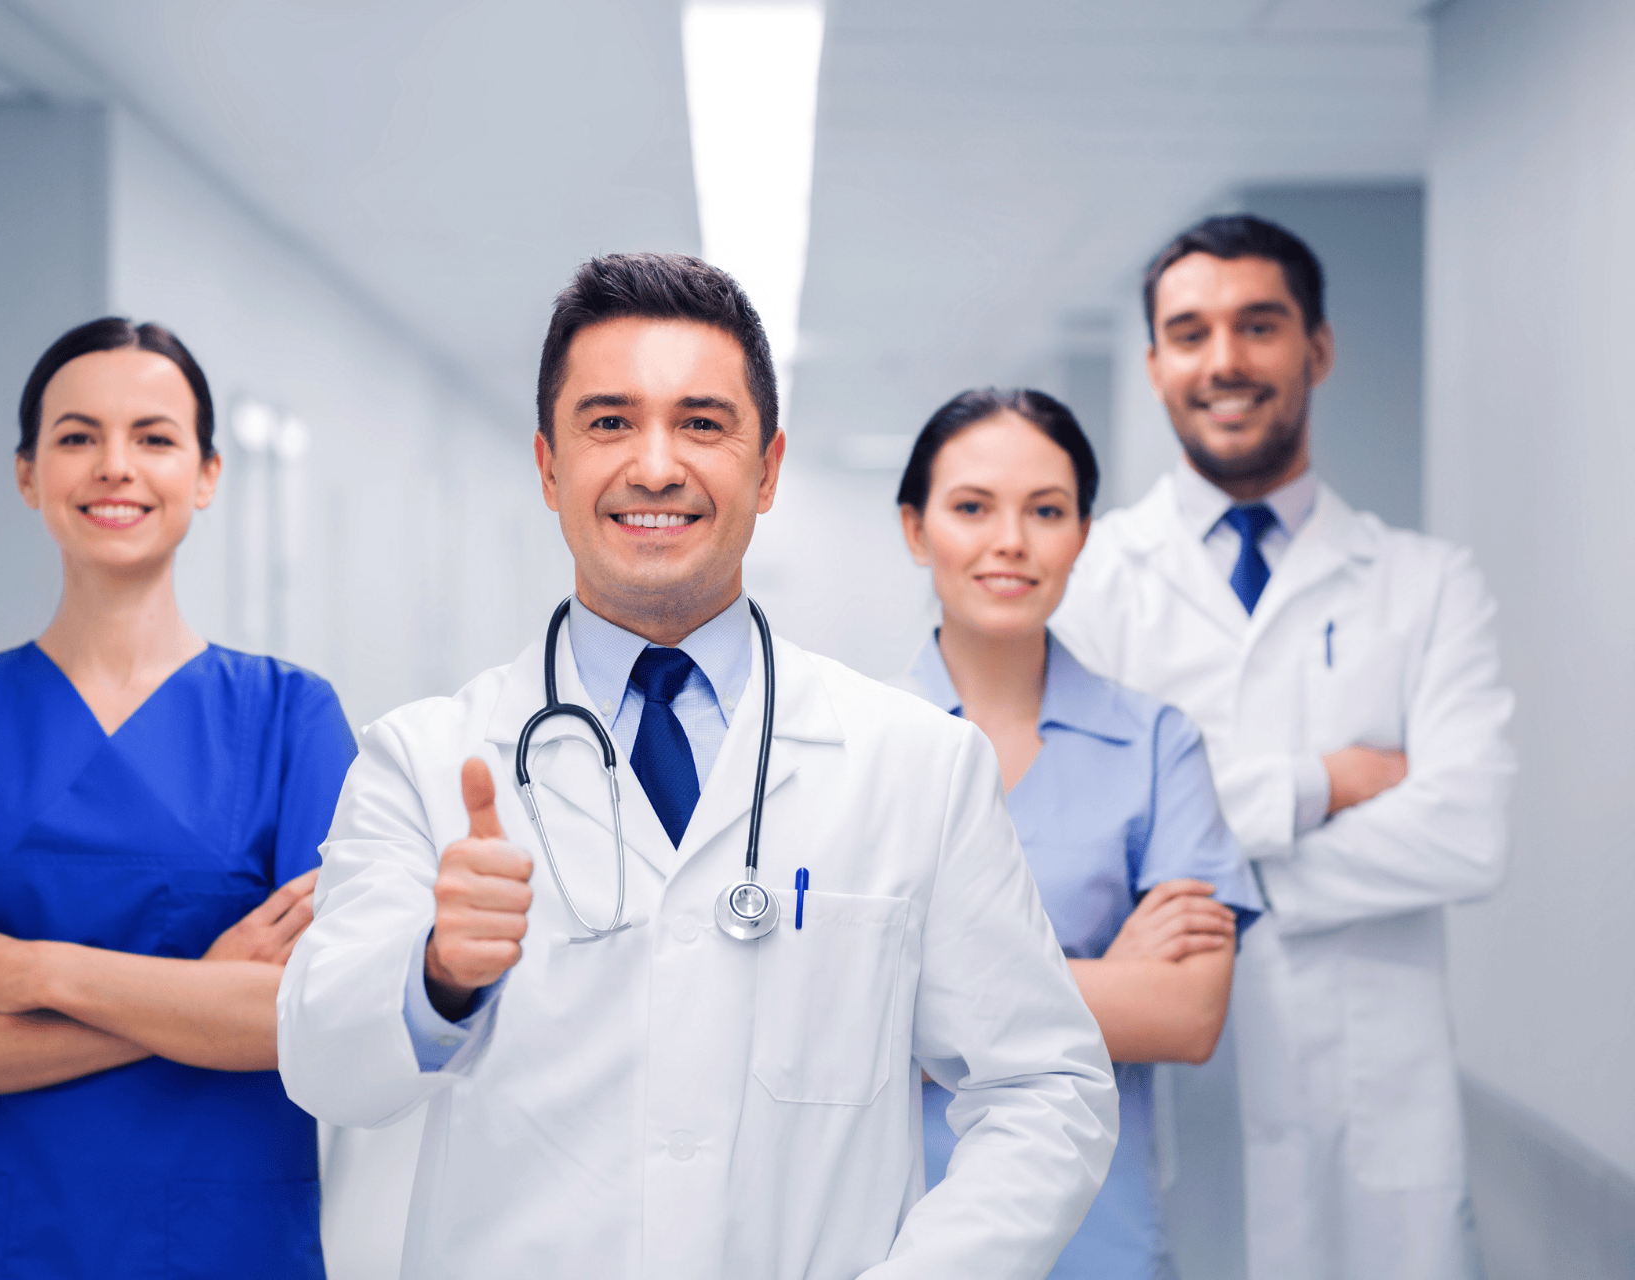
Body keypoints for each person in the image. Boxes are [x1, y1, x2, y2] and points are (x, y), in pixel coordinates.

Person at [278, 253, 1118, 1279]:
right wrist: (438, 975)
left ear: (767, 468)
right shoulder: (423, 759)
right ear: (548, 467)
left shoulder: (918, 766)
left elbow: (1047, 1089)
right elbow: (324, 1068)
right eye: (609, 422)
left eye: (703, 423)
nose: (657, 465)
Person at [0, 318, 356, 1279]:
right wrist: (196, 990)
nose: (114, 466)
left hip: (222, 1243)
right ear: (27, 476)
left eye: (154, 436)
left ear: (208, 474)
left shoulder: (290, 719)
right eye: (76, 436)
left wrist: (47, 973)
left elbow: (299, 1018)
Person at [1051, 215, 1514, 1280]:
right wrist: (1326, 783)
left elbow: (1466, 836)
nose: (1225, 360)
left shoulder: (1427, 584)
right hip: (1170, 1113)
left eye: (1259, 325)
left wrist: (1202, 863)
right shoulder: (1094, 578)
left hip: (1374, 1114)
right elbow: (1083, 840)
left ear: (1318, 347)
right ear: (1156, 359)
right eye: (1191, 330)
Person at [891, 387, 1261, 1279]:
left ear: (1083, 535)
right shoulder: (854, 750)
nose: (1010, 540)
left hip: (1101, 1235)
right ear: (915, 528)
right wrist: (1115, 980)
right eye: (972, 507)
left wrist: (926, 1007)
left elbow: (1187, 1013)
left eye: (1046, 511)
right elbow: (826, 1015)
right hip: (899, 1235)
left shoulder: (1156, 744)